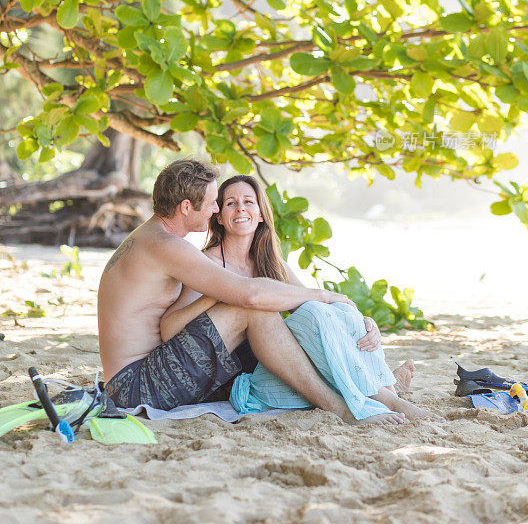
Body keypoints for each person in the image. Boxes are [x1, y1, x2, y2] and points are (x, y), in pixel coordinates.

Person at [98, 159, 385, 425]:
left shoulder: (150, 237)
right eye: (213, 203)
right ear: (186, 207)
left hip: (139, 377)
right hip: (137, 386)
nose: (214, 210)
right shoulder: (167, 245)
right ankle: (340, 408)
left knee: (277, 329)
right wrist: (323, 294)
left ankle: (371, 388)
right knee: (249, 310)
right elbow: (249, 295)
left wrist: (352, 316)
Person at [160, 174, 426, 425]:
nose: (240, 208)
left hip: (282, 366)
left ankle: (386, 391)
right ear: (219, 217)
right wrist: (216, 293)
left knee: (324, 310)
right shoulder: (208, 262)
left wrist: (368, 323)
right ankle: (387, 392)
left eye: (248, 202)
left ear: (261, 214)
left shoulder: (273, 264)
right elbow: (168, 329)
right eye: (231, 203)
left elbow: (321, 310)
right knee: (316, 324)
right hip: (247, 376)